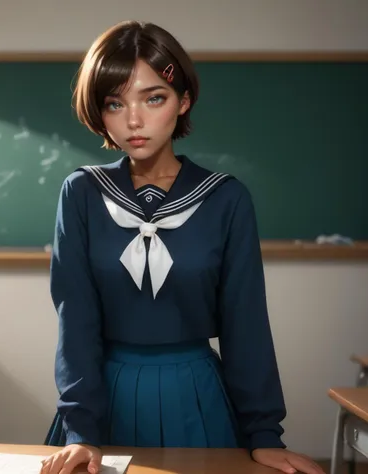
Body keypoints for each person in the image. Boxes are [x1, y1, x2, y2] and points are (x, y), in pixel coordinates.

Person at [40, 20, 324, 474]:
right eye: (115, 103)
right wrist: (81, 431)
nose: (134, 120)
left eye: (154, 98)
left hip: (195, 394)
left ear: (183, 100)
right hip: (102, 399)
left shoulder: (225, 198)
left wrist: (264, 434)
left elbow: (245, 322)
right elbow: (75, 319)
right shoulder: (82, 193)